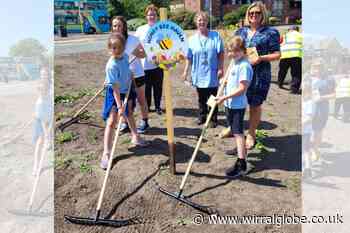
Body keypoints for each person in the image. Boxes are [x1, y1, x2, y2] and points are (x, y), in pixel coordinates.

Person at [232, 1, 281, 150]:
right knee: (237, 103)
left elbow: (277, 54)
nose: (253, 15)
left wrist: (260, 58)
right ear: (247, 15)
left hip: (260, 75)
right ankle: (234, 128)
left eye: (257, 13)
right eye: (251, 13)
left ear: (262, 15)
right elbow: (234, 49)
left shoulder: (271, 32)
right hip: (241, 73)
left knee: (254, 105)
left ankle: (251, 133)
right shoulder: (240, 32)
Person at [101, 33, 148, 170]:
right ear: (109, 48)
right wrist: (120, 105)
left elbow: (127, 70)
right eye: (113, 48)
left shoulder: (126, 57)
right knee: (112, 121)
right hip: (115, 93)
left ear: (123, 48)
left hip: (127, 89)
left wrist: (130, 76)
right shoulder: (111, 65)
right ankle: (106, 153)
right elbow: (115, 87)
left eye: (119, 47)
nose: (116, 51)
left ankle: (136, 137)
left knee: (129, 114)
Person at [215, 36, 253, 177]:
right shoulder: (234, 63)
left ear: (243, 50)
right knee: (234, 130)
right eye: (231, 51)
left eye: (237, 51)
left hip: (237, 105)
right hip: (229, 104)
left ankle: (241, 163)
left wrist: (224, 97)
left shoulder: (244, 66)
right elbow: (230, 81)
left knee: (238, 133)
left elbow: (242, 88)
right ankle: (240, 152)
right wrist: (223, 82)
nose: (233, 54)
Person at [182, 11, 224, 128]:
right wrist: (186, 71)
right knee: (201, 97)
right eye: (199, 20)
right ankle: (202, 116)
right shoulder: (191, 39)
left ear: (207, 22)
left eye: (204, 20)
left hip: (212, 72)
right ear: (196, 22)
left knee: (212, 96)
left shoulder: (215, 36)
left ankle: (213, 118)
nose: (202, 22)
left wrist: (221, 68)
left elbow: (221, 53)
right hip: (198, 73)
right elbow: (188, 58)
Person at [111, 16, 150, 133]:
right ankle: (125, 123)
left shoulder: (133, 39)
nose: (117, 28)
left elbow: (144, 54)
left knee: (141, 99)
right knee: (125, 101)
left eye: (119, 25)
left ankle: (145, 121)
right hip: (122, 77)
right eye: (114, 25)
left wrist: (136, 52)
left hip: (137, 74)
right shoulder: (113, 40)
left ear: (124, 27)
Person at [135, 4, 164, 115]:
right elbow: (135, 45)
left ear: (157, 16)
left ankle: (157, 107)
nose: (151, 17)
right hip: (143, 66)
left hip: (158, 65)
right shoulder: (140, 29)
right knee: (146, 89)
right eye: (149, 15)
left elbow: (165, 46)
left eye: (153, 15)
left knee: (158, 87)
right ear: (146, 16)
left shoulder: (161, 29)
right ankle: (147, 106)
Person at [310, 59, 335, 161]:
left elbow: (334, 94)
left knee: (317, 132)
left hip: (321, 110)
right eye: (315, 67)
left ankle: (315, 150)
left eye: (319, 67)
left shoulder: (329, 79)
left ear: (323, 68)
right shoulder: (308, 77)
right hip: (308, 109)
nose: (317, 69)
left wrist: (322, 98)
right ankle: (311, 150)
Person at [32, 65, 53, 176]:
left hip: (50, 115)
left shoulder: (52, 84)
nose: (44, 76)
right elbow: (43, 116)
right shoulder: (40, 87)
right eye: (42, 74)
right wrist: (47, 133)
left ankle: (49, 142)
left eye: (46, 73)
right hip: (41, 117)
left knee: (49, 137)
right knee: (41, 141)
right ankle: (36, 165)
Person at [277, 26, 303, 94]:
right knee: (296, 73)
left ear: (289, 30)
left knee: (282, 71)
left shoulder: (284, 35)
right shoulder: (301, 35)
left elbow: (278, 44)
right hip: (296, 55)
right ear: (297, 30)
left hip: (284, 55)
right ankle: (294, 89)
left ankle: (280, 83)